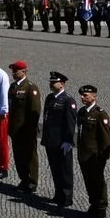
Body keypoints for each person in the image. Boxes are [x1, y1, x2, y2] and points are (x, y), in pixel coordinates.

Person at [76, 83, 110, 218]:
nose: (82, 97)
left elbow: (106, 138)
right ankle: (93, 203)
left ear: (94, 96)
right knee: (88, 181)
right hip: (84, 155)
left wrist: (103, 157)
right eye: (81, 95)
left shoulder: (100, 114)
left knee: (98, 181)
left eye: (85, 95)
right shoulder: (81, 112)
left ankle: (101, 207)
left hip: (95, 156)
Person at [41, 71, 77, 207]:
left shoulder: (68, 100)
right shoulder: (50, 98)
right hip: (51, 140)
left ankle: (67, 197)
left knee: (65, 170)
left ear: (62, 84)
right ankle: (58, 194)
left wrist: (68, 140)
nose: (51, 84)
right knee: (55, 169)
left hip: (62, 142)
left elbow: (70, 122)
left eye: (54, 82)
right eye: (50, 82)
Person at [7, 60, 41, 193]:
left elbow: (35, 111)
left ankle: (32, 182)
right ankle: (24, 179)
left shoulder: (31, 87)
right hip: (15, 129)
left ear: (24, 71)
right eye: (13, 71)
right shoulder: (13, 87)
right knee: (18, 156)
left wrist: (30, 129)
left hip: (26, 130)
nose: (13, 73)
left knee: (30, 156)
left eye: (16, 71)